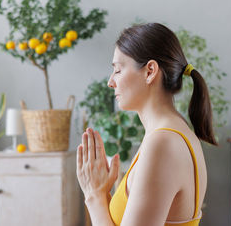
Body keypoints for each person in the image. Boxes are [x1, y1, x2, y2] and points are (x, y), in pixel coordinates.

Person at [76, 23, 217, 226]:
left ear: (150, 71)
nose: (110, 82)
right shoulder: (169, 133)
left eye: (117, 70)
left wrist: (94, 197)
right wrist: (102, 193)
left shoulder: (163, 143)